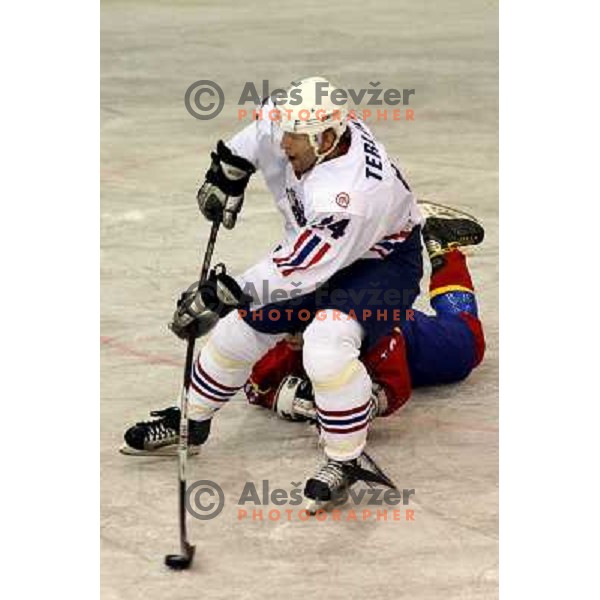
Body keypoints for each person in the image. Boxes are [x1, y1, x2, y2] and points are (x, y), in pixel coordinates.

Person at [122, 76, 483, 511]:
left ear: (328, 138)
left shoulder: (349, 194)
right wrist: (230, 169)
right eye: (286, 130)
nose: (284, 142)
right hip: (315, 246)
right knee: (240, 331)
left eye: (295, 136)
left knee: (327, 344)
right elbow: (262, 131)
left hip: (379, 264)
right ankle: (192, 422)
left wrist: (225, 292)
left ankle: (345, 461)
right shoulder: (300, 123)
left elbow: (300, 268)